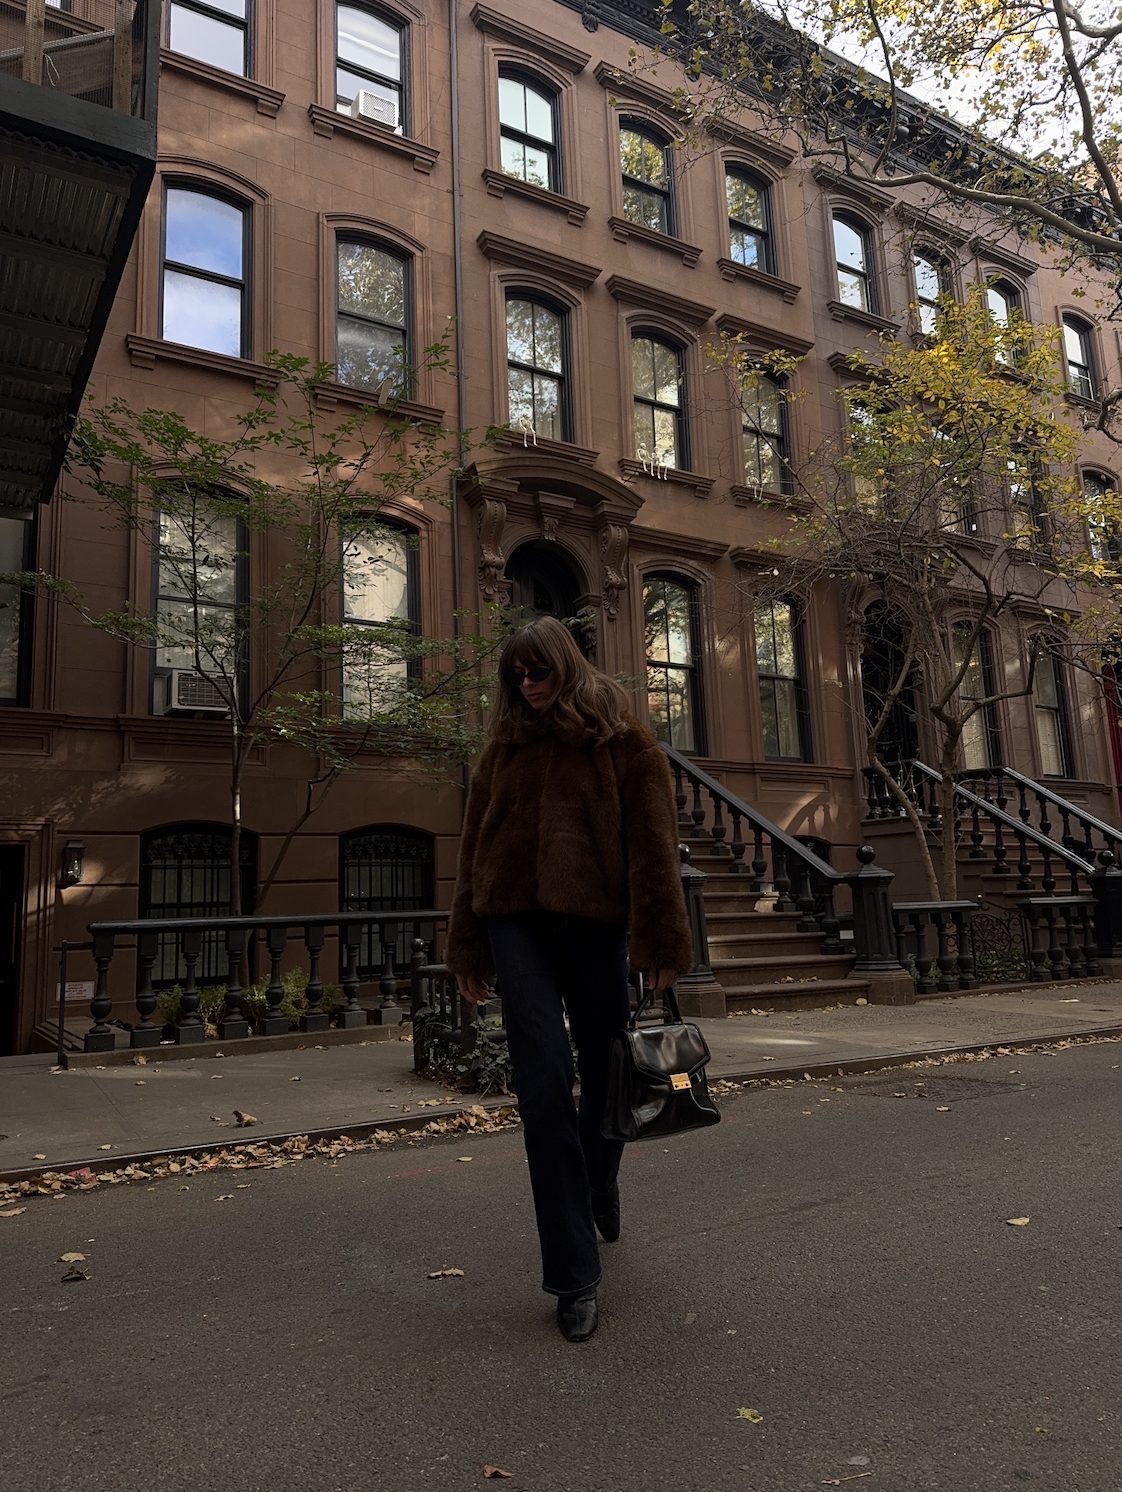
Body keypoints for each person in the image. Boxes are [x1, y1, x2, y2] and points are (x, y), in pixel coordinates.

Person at [445, 615, 692, 1343]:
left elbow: (653, 844)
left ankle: (598, 1180)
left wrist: (659, 939)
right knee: (543, 1083)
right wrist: (468, 948)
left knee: (611, 1073)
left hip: (593, 925)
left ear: (566, 667)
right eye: (515, 676)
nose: (526, 685)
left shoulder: (623, 740)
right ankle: (575, 1274)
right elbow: (473, 847)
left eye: (538, 672)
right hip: (515, 923)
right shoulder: (504, 743)